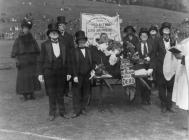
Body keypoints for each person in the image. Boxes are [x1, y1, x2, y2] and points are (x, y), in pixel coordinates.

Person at [37, 22, 71, 121]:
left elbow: (68, 59)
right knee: (51, 93)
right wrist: (40, 73)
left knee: (60, 93)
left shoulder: (64, 44)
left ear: (58, 33)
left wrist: (68, 72)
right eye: (52, 32)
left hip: (61, 72)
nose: (54, 34)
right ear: (49, 34)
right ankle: (52, 113)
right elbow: (40, 59)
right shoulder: (44, 45)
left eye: (56, 32)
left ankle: (62, 111)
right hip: (49, 72)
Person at [11, 19, 41, 101]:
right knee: (23, 79)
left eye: (27, 28)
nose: (26, 30)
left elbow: (37, 51)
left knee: (32, 78)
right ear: (22, 29)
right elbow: (14, 53)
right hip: (22, 63)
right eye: (24, 28)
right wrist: (17, 61)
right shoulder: (18, 40)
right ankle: (24, 95)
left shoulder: (33, 40)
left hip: (32, 62)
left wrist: (37, 60)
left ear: (29, 29)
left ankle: (31, 93)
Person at [71, 31, 95, 118]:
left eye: (83, 41)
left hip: (87, 76)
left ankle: (83, 108)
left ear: (85, 41)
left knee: (86, 93)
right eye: (80, 41)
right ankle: (76, 111)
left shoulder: (89, 50)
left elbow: (92, 62)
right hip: (78, 76)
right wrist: (74, 76)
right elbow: (72, 64)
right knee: (76, 93)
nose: (81, 43)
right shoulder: (74, 51)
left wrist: (92, 70)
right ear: (77, 42)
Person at [154, 22, 176, 113]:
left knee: (170, 86)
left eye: (168, 30)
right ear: (162, 31)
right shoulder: (157, 40)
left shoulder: (173, 40)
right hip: (161, 67)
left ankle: (169, 106)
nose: (166, 32)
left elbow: (176, 52)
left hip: (171, 66)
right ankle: (163, 105)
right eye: (165, 29)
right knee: (162, 86)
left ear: (170, 32)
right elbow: (154, 53)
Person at [170, 38, 189, 132]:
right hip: (185, 74)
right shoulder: (185, 41)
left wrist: (183, 57)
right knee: (186, 100)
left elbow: (186, 57)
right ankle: (187, 123)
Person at [135, 28, 155, 105]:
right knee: (142, 82)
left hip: (149, 67)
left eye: (145, 35)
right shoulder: (137, 45)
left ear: (147, 36)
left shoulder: (151, 44)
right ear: (140, 36)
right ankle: (143, 98)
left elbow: (153, 56)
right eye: (142, 35)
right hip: (141, 66)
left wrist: (151, 66)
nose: (144, 36)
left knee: (149, 82)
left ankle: (148, 98)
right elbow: (135, 56)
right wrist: (138, 59)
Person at [56, 16, 74, 96]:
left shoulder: (69, 36)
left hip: (67, 59)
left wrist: (70, 57)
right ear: (58, 26)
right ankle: (60, 91)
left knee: (67, 74)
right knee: (59, 75)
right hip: (58, 59)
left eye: (63, 25)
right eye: (60, 25)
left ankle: (66, 91)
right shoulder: (55, 36)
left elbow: (72, 48)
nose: (62, 26)